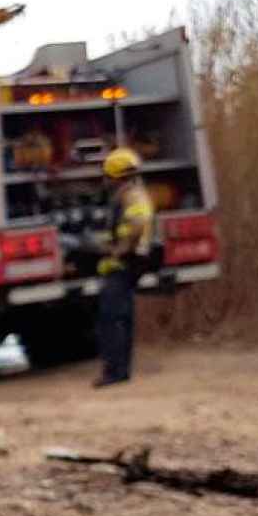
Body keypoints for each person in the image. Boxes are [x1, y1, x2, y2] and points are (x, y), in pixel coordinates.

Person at [93, 147, 155, 388]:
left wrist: (120, 248)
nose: (105, 180)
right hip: (123, 264)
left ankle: (115, 372)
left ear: (116, 176)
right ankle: (120, 371)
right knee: (120, 318)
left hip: (124, 264)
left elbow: (137, 224)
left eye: (107, 176)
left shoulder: (132, 196)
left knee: (112, 319)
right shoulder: (128, 194)